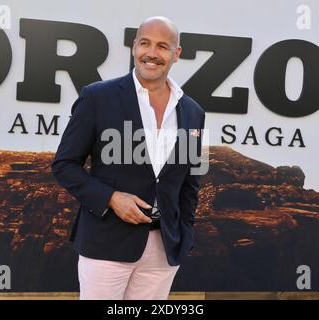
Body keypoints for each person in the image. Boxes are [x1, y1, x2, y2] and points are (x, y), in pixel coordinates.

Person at [52, 16, 205, 300]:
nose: (151, 53)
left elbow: (190, 181)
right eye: (144, 43)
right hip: (106, 244)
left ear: (176, 53)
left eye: (162, 46)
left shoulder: (193, 111)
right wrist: (111, 198)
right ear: (134, 47)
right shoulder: (98, 96)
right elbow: (64, 165)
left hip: (164, 250)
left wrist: (185, 233)